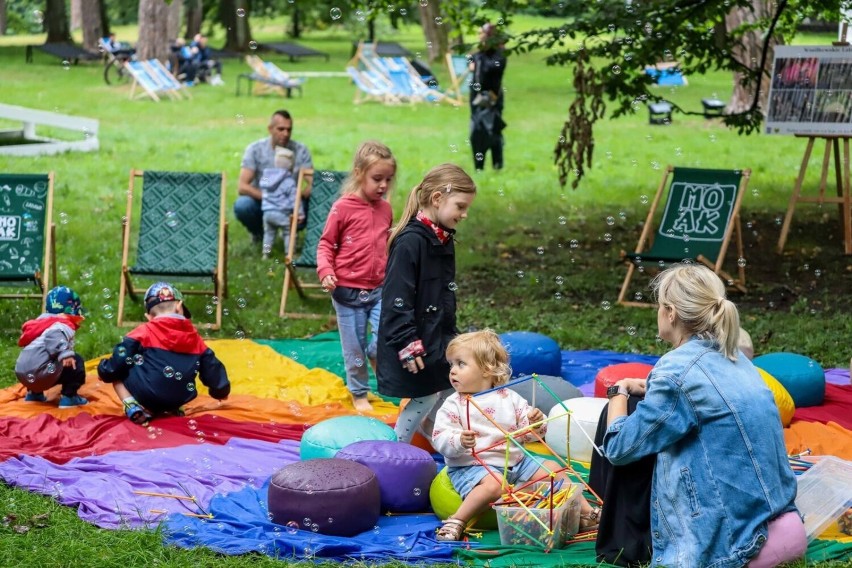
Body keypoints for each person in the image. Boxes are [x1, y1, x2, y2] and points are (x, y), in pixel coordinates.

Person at [601, 264, 805, 568]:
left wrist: (617, 392)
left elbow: (618, 448)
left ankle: (620, 540)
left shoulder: (674, 370)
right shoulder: (734, 356)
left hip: (729, 543)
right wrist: (648, 389)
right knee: (638, 413)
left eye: (659, 306)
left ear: (670, 312)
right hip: (779, 520)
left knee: (618, 414)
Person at [431, 329, 601, 541]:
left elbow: (529, 435)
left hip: (515, 462)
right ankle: (457, 520)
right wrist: (458, 440)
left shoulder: (509, 397)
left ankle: (588, 514)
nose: (453, 371)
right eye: (451, 365)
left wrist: (535, 423)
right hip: (471, 466)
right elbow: (439, 438)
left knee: (554, 470)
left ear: (487, 369)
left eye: (460, 364)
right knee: (494, 485)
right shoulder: (454, 403)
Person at [376, 163, 477, 443]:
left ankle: (443, 443)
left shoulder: (442, 239)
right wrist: (407, 342)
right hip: (413, 341)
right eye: (460, 206)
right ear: (437, 199)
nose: (464, 214)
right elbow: (397, 299)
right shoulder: (411, 242)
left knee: (448, 391)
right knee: (425, 397)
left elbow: (443, 294)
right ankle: (395, 450)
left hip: (436, 336)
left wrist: (450, 335)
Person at [316, 141, 396, 412]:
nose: (383, 185)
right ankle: (359, 393)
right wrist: (326, 271)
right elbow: (326, 244)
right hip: (347, 292)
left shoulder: (385, 209)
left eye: (388, 179)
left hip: (378, 290)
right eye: (377, 179)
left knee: (387, 336)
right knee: (355, 349)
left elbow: (386, 244)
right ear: (359, 173)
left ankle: (376, 354)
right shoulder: (343, 207)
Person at [97, 282, 230, 425]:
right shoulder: (195, 338)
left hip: (147, 396)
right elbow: (212, 368)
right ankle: (173, 409)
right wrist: (220, 391)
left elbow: (117, 363)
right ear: (179, 307)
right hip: (180, 397)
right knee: (174, 371)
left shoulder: (142, 332)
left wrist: (104, 370)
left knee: (118, 372)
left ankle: (132, 406)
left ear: (148, 316)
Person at [236, 110, 313, 243]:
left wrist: (297, 197)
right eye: (281, 129)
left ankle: (292, 233)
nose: (285, 134)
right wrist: (272, 198)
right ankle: (258, 232)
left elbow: (313, 182)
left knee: (317, 201)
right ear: (270, 129)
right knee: (242, 205)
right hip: (263, 202)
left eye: (289, 130)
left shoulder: (300, 150)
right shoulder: (255, 149)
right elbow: (242, 187)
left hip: (291, 202)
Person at [15, 286, 88, 407]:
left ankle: (35, 394)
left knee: (39, 360)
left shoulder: (39, 324)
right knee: (76, 361)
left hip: (23, 374)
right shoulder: (62, 324)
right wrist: (65, 354)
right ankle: (69, 398)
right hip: (42, 374)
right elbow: (53, 335)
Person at [469, 23, 507, 171]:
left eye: (482, 34)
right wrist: (474, 60)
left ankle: (497, 165)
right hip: (477, 99)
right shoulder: (479, 54)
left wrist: (476, 62)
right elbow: (471, 59)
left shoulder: (500, 55)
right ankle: (479, 167)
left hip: (493, 99)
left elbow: (489, 70)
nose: (479, 37)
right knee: (476, 132)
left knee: (493, 132)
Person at [260, 146, 302, 259]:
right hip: (281, 213)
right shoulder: (289, 181)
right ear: (290, 166)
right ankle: (290, 253)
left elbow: (262, 186)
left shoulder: (267, 177)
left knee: (268, 233)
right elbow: (295, 199)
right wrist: (300, 213)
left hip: (267, 212)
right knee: (288, 232)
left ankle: (266, 253)